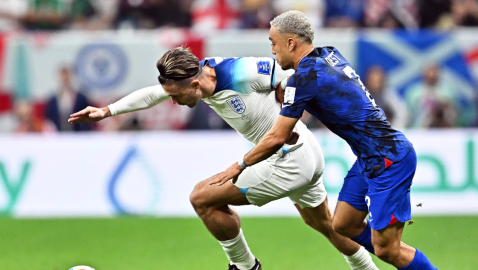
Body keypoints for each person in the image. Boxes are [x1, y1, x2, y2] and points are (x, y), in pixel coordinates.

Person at [68, 47, 379, 270]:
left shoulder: (240, 72)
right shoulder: (198, 75)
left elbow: (290, 73)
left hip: (288, 158)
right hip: (304, 152)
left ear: (194, 84)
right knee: (327, 225)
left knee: (202, 198)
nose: (173, 102)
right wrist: (107, 111)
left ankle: (245, 267)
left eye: (176, 96)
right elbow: (153, 94)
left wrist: (289, 102)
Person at [212, 11, 438, 270]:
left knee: (387, 249)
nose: (272, 50)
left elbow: (276, 137)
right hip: (371, 156)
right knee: (343, 224)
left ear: (291, 43)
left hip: (389, 158)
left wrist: (239, 166)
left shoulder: (303, 80)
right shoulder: (329, 54)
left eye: (273, 42)